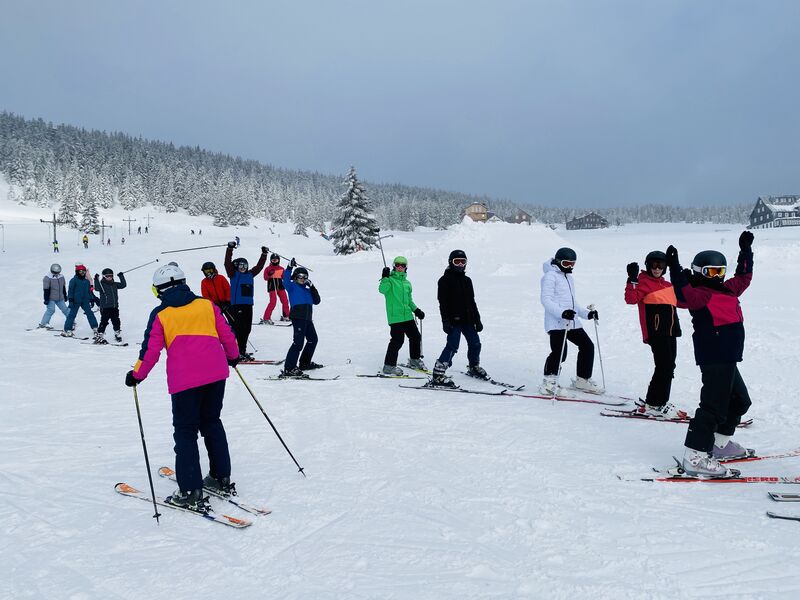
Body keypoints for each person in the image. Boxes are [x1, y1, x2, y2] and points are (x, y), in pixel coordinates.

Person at [125, 263, 240, 511]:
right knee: (212, 422)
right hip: (216, 375)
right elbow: (227, 334)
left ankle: (190, 490)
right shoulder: (206, 305)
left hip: (185, 381)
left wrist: (136, 375)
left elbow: (150, 351)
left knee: (186, 431)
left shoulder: (161, 314)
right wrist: (233, 356)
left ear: (160, 290)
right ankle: (221, 478)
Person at [666, 231, 754, 477]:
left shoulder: (728, 290)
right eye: (711, 272)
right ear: (698, 272)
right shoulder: (699, 295)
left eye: (720, 271)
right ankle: (695, 455)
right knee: (713, 406)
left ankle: (719, 444)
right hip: (714, 356)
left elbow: (744, 277)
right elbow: (682, 293)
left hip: (728, 356)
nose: (718, 276)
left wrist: (745, 251)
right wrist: (674, 267)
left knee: (740, 401)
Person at [624, 251, 684, 418]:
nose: (657, 269)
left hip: (671, 331)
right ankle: (655, 404)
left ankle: (658, 401)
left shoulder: (667, 285)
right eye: (653, 265)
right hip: (656, 332)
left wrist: (686, 279)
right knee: (664, 366)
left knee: (669, 367)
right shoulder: (643, 282)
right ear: (648, 266)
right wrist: (632, 279)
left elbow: (683, 302)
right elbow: (630, 299)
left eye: (661, 266)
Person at [539, 247, 602, 395]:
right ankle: (549, 382)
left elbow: (573, 304)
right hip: (556, 323)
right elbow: (546, 300)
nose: (570, 267)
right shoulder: (550, 276)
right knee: (560, 352)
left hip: (571, 322)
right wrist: (562, 313)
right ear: (559, 261)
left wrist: (588, 314)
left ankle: (582, 380)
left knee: (587, 346)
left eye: (572, 264)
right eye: (567, 264)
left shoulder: (568, 278)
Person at [431, 250, 485, 387]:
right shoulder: (444, 280)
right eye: (457, 261)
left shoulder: (467, 280)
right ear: (451, 262)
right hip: (453, 321)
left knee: (475, 344)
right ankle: (438, 374)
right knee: (452, 346)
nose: (460, 264)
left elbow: (472, 302)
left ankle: (474, 366)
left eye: (463, 261)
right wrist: (445, 321)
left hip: (468, 320)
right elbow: (443, 303)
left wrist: (477, 320)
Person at [379, 256, 426, 375]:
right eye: (397, 265)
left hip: (407, 316)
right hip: (395, 317)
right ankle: (389, 366)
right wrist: (384, 277)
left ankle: (414, 360)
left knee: (415, 336)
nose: (400, 267)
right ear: (394, 266)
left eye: (403, 265)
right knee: (397, 341)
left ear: (406, 268)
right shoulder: (389, 280)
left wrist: (416, 310)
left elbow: (409, 301)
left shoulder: (407, 283)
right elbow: (382, 290)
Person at [224, 242, 268, 359]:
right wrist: (229, 249)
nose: (243, 268)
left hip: (248, 305)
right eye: (241, 266)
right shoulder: (233, 274)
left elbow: (259, 267)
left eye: (245, 266)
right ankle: (237, 352)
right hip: (237, 305)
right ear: (237, 267)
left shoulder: (250, 274)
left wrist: (264, 254)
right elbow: (227, 263)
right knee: (239, 329)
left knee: (247, 329)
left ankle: (242, 352)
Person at [281, 259, 322, 377]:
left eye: (305, 277)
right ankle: (289, 368)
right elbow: (285, 280)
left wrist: (312, 287)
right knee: (298, 343)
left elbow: (317, 301)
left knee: (313, 339)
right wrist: (289, 267)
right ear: (295, 277)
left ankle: (304, 363)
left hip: (307, 318)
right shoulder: (292, 286)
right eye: (300, 276)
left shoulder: (307, 290)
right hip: (298, 317)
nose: (302, 279)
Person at [61, 263, 100, 340]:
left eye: (83, 271)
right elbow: (70, 290)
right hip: (75, 301)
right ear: (77, 272)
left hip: (85, 300)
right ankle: (67, 329)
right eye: (80, 271)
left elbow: (89, 291)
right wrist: (71, 300)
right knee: (72, 315)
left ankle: (95, 327)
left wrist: (91, 299)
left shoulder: (87, 281)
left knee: (90, 313)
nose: (82, 273)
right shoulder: (73, 280)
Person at [93, 268, 127, 343]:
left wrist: (121, 276)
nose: (109, 277)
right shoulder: (102, 284)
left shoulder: (114, 284)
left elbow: (123, 285)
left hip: (114, 306)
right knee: (104, 321)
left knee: (116, 321)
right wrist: (96, 279)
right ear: (104, 276)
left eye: (111, 276)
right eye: (107, 276)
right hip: (105, 307)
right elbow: (96, 288)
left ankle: (117, 333)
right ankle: (100, 334)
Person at [260, 253, 290, 324]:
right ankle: (266, 318)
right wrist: (269, 275)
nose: (275, 261)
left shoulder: (281, 268)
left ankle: (286, 316)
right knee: (273, 302)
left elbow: (285, 277)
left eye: (276, 260)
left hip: (280, 286)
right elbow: (265, 278)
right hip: (272, 286)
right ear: (270, 261)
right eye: (273, 260)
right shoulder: (268, 268)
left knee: (285, 300)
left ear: (278, 260)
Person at [38, 263, 68, 329]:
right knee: (51, 310)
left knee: (65, 309)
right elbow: (46, 289)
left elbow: (63, 287)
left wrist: (65, 296)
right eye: (55, 272)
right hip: (51, 298)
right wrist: (46, 299)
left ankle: (71, 321)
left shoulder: (61, 277)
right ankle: (44, 323)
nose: (56, 274)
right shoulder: (47, 278)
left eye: (58, 272)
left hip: (60, 297)